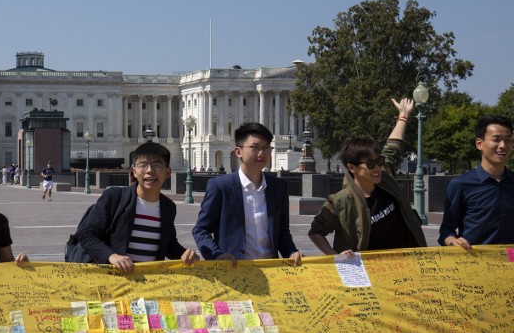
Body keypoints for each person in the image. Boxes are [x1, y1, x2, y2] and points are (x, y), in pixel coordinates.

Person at [308, 98, 427, 255]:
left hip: (404, 261)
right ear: (352, 168)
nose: (377, 167)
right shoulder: (341, 201)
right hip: (368, 267)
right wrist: (335, 256)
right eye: (370, 164)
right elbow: (316, 231)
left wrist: (403, 116)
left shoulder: (386, 180)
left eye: (379, 161)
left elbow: (392, 147)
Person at [73, 142, 197, 274]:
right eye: (143, 165)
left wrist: (184, 254)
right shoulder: (115, 197)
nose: (149, 170)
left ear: (167, 172)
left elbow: (168, 244)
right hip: (114, 280)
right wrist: (111, 256)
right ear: (134, 172)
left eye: (157, 165)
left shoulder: (168, 207)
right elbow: (85, 233)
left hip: (149, 281)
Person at [192, 122, 302, 265]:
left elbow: (282, 231)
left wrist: (291, 252)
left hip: (271, 269)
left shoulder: (278, 187)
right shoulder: (221, 187)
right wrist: (216, 255)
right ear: (238, 152)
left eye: (266, 148)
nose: (261, 153)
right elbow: (201, 229)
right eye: (254, 147)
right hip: (234, 269)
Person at [439, 115, 514, 250]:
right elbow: (446, 230)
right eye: (496, 140)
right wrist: (453, 241)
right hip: (476, 261)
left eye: (508, 140)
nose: (503, 146)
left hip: (511, 260)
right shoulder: (460, 184)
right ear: (479, 144)